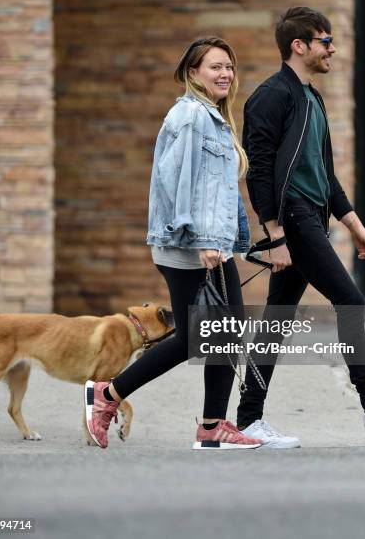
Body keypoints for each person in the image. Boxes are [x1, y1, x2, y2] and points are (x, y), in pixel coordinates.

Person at [236, 6, 365, 447]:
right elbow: (259, 170)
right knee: (350, 300)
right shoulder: (272, 96)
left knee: (277, 318)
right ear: (299, 46)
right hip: (294, 218)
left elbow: (324, 175)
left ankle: (247, 419)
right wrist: (276, 236)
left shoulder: (313, 98)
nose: (333, 49)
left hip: (311, 216)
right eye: (325, 41)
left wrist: (354, 225)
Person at [84, 36, 262, 450]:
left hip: (211, 244)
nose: (225, 74)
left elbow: (218, 190)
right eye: (215, 67)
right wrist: (202, 239)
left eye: (229, 67)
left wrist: (230, 239)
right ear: (192, 73)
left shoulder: (213, 116)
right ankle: (107, 394)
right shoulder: (191, 117)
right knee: (198, 336)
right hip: (192, 246)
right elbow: (177, 181)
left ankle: (212, 425)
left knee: (224, 332)